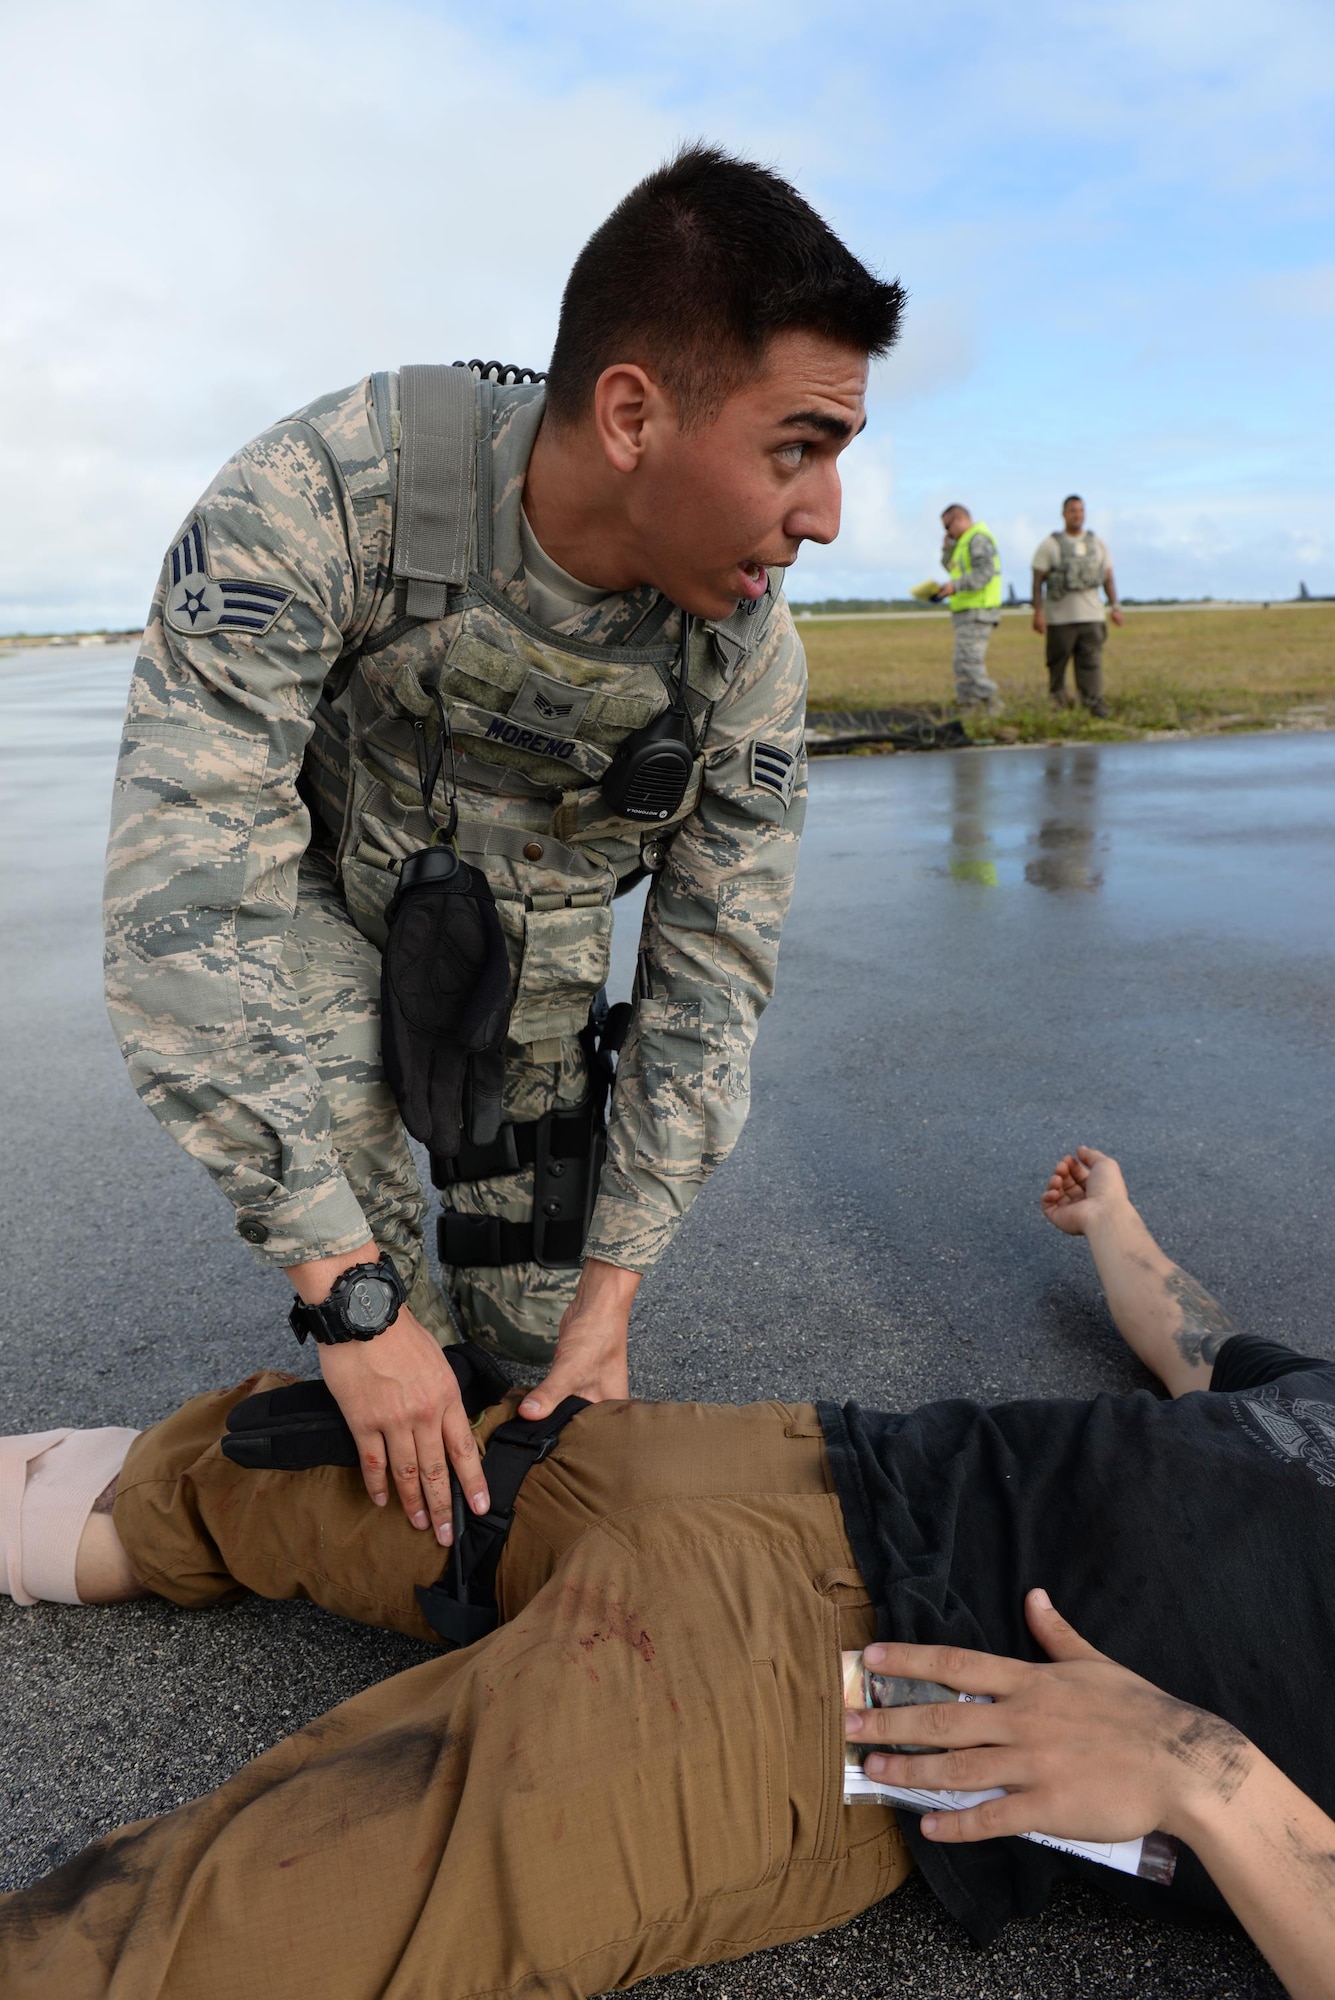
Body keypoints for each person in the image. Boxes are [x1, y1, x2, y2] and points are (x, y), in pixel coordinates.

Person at [3, 1148, 1334, 2000]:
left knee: (197, 1939)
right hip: (819, 1467)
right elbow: (1200, 1349)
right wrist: (1115, 1218)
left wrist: (1191, 1767)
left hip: (869, 1699)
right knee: (261, 1458)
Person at [101, 145, 906, 1547]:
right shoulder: (320, 499)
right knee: (373, 1309)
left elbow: (709, 977)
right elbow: (182, 916)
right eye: (797, 449)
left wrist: (611, 1296)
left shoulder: (740, 655)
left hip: (526, 967)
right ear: (629, 414)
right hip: (321, 903)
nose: (825, 515)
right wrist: (349, 1298)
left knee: (549, 1399)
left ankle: (476, 1344)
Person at [1031, 495, 1124, 715]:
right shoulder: (1050, 545)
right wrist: (1038, 613)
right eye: (1073, 510)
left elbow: (1108, 577)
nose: (1077, 515)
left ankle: (1093, 703)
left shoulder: (1097, 543)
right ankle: (1057, 703)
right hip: (1060, 618)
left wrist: (1115, 606)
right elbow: (1037, 581)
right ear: (1064, 513)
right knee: (1057, 663)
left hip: (1091, 615)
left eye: (1081, 510)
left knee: (1091, 663)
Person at [936, 502, 1003, 711]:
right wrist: (947, 549)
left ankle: (994, 705)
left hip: (979, 610)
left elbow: (984, 572)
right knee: (961, 664)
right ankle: (969, 708)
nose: (947, 532)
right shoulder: (963, 543)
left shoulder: (977, 539)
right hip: (967, 611)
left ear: (961, 519)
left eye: (948, 526)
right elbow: (952, 568)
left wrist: (955, 586)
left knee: (969, 663)